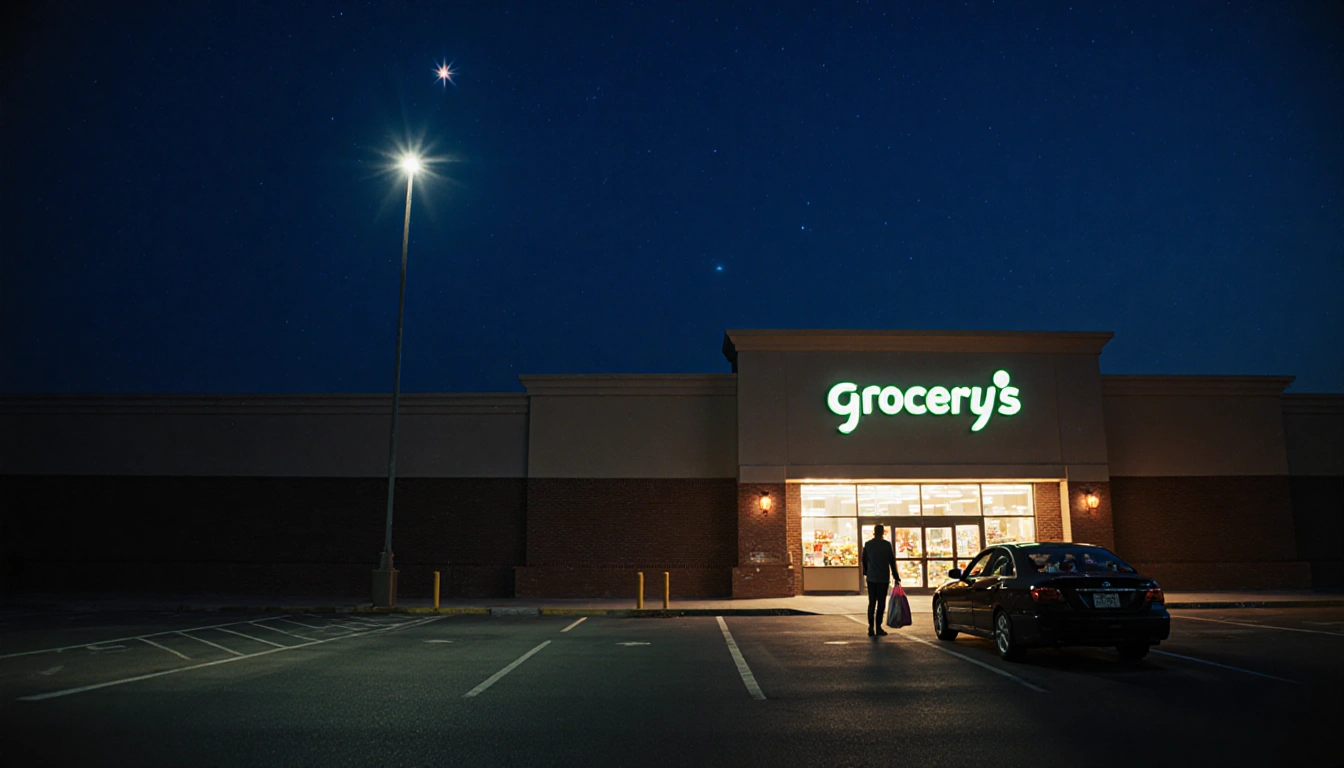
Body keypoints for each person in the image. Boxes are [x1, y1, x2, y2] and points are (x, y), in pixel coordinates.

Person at [861, 524, 901, 636]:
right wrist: (896, 576)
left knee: (872, 603)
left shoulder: (868, 545)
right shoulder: (887, 545)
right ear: (883, 532)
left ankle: (870, 628)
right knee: (881, 604)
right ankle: (878, 627)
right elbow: (892, 562)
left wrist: (866, 572)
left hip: (872, 578)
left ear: (874, 532)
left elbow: (864, 560)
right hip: (883, 578)